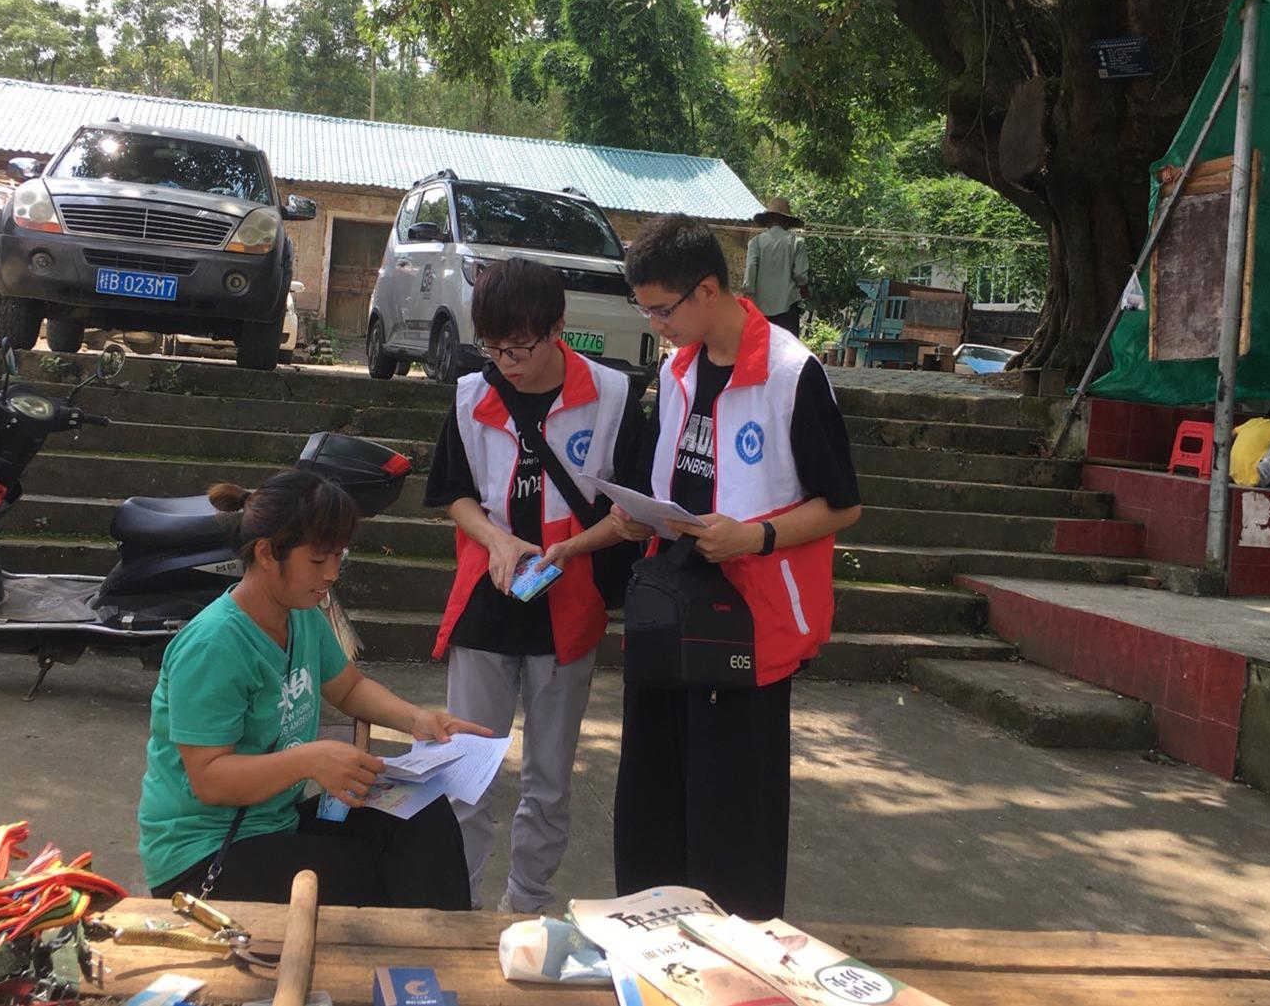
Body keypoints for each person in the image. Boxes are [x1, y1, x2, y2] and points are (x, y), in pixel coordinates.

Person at [612, 214, 862, 919]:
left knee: (733, 827)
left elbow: (843, 505)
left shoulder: (790, 373)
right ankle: (653, 939)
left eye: (663, 309)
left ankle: (737, 957)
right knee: (653, 808)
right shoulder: (677, 369)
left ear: (708, 290)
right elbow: (670, 479)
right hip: (668, 614)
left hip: (749, 629)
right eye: (646, 310)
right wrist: (640, 516)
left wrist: (755, 537)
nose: (656, 324)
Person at [137, 469, 486, 907]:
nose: (332, 574)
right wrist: (309, 760)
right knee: (378, 878)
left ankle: (444, 941)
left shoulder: (301, 613)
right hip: (204, 855)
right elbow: (209, 779)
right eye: (318, 561)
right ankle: (430, 943)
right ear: (266, 553)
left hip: (275, 822)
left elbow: (348, 688)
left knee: (422, 814)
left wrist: (417, 719)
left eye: (339, 557)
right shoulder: (214, 645)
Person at [424, 259, 646, 913]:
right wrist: (497, 540)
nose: (506, 363)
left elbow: (632, 511)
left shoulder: (611, 396)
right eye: (492, 347)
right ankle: (458, 907)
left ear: (557, 328)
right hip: (486, 601)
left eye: (519, 348)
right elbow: (452, 493)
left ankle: (524, 905)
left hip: (568, 607)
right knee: (466, 771)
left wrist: (572, 548)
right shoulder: (472, 394)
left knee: (548, 780)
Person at [742, 197, 810, 336]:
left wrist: (748, 293)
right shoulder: (796, 242)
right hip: (788, 307)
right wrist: (804, 288)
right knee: (787, 347)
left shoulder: (755, 242)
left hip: (760, 309)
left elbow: (750, 270)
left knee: (763, 345)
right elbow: (800, 275)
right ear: (787, 221)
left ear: (768, 220)